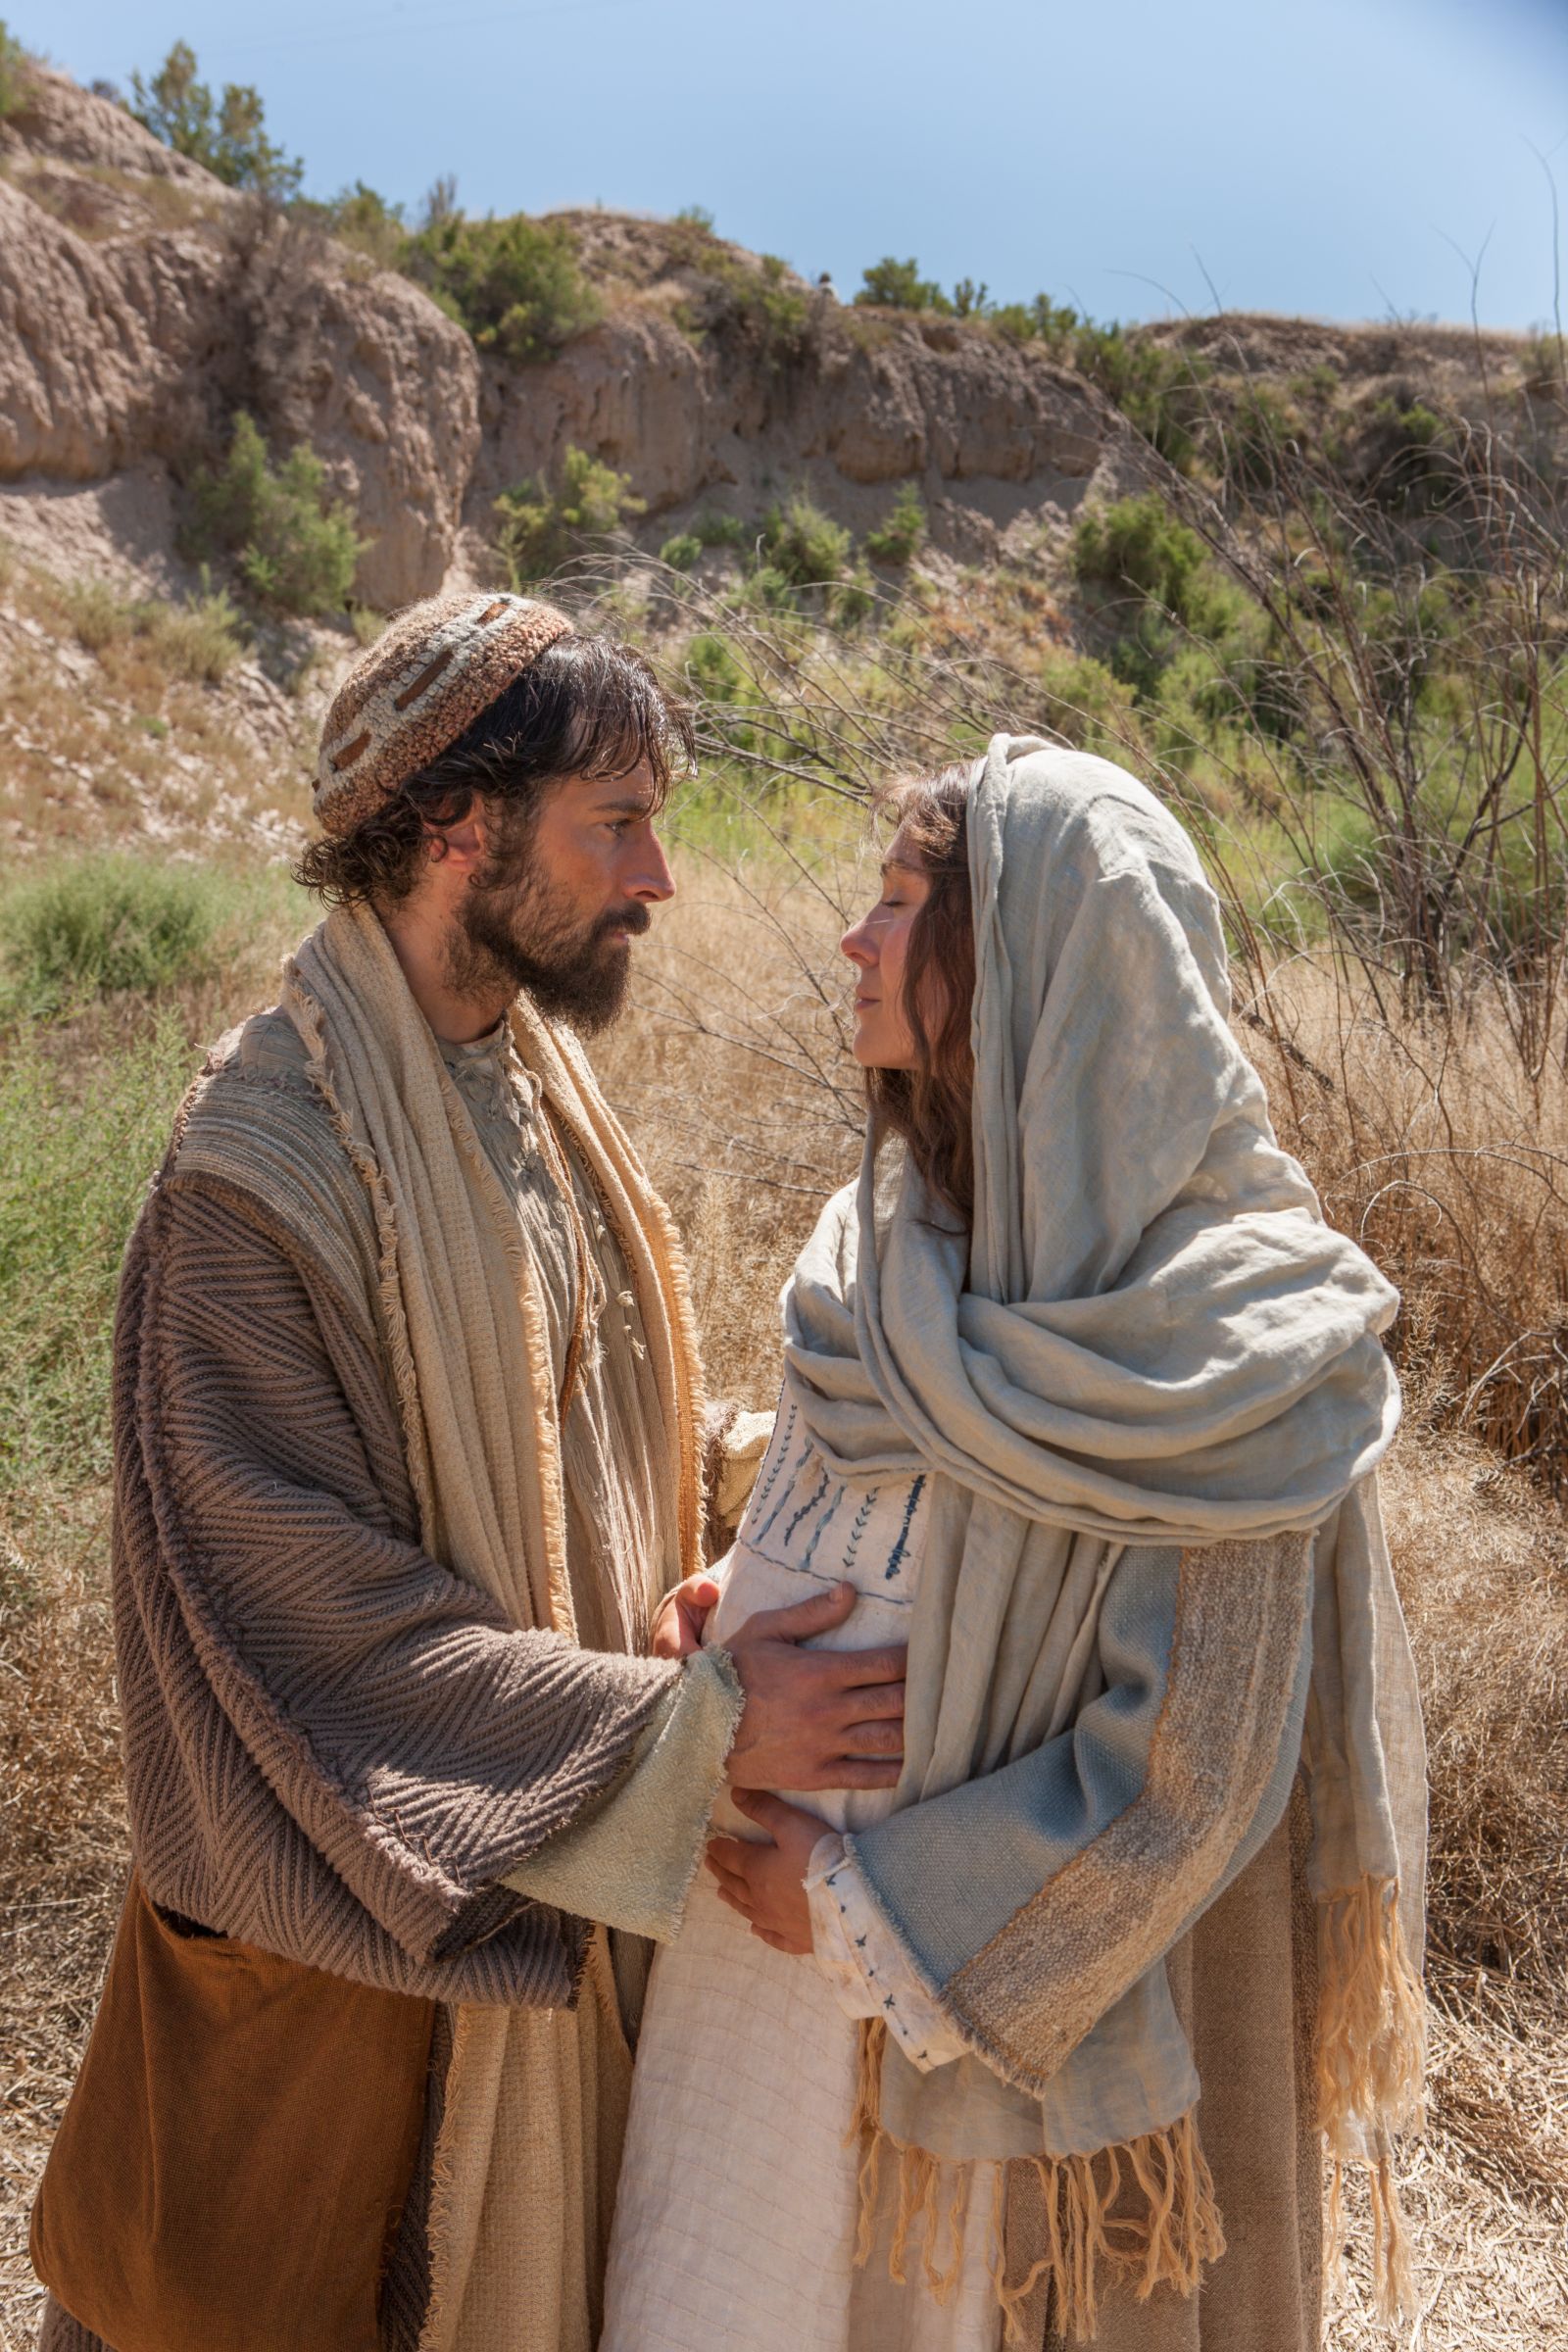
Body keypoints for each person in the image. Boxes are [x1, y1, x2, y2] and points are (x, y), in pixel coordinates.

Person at [29, 591, 909, 2352]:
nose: (658, 876)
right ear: (455, 827)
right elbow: (312, 1631)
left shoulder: (514, 1083)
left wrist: (839, 1484)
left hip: (534, 1933)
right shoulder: (252, 1180)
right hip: (354, 1984)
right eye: (617, 822)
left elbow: (611, 1434)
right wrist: (700, 1735)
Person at [603, 733, 1427, 2351]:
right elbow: (901, 1504)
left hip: (959, 2025)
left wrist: (855, 1908)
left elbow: (1188, 1778)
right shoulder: (879, 1248)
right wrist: (748, 1581)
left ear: (1036, 963)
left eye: (902, 903)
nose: (853, 938)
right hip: (755, 2006)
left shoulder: (1231, 1347)